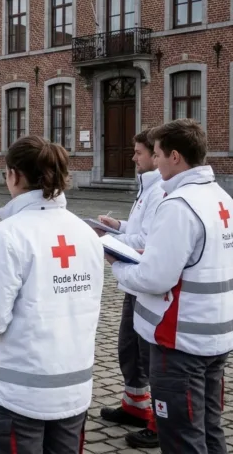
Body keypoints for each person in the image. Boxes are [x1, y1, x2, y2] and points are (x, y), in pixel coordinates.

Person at [0, 135, 103, 454]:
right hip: (73, 388)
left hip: (20, 392)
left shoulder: (7, 234)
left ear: (14, 175)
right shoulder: (86, 233)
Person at [111, 119, 233, 454]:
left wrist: (117, 265)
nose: (155, 161)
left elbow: (155, 278)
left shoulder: (179, 205)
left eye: (158, 154)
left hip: (179, 340)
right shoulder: (221, 197)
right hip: (215, 334)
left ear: (175, 156)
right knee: (209, 427)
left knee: (181, 435)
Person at [94, 130, 163, 448]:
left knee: (148, 353)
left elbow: (147, 241)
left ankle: (159, 419)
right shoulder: (146, 186)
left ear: (156, 155)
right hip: (133, 281)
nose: (133, 157)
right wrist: (118, 226)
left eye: (139, 152)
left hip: (145, 281)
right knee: (129, 346)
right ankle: (135, 404)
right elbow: (137, 229)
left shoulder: (159, 191)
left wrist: (109, 240)